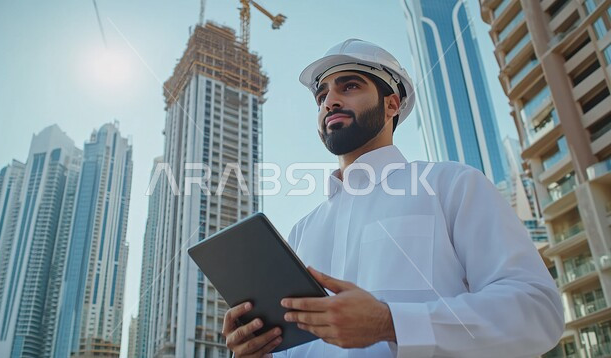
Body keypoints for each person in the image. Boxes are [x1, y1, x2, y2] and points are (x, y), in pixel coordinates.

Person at [222, 39, 564, 357]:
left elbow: (537, 311)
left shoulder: (452, 184)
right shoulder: (300, 232)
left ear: (392, 104)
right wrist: (262, 349)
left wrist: (389, 323)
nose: (330, 101)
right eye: (322, 95)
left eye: (350, 86)